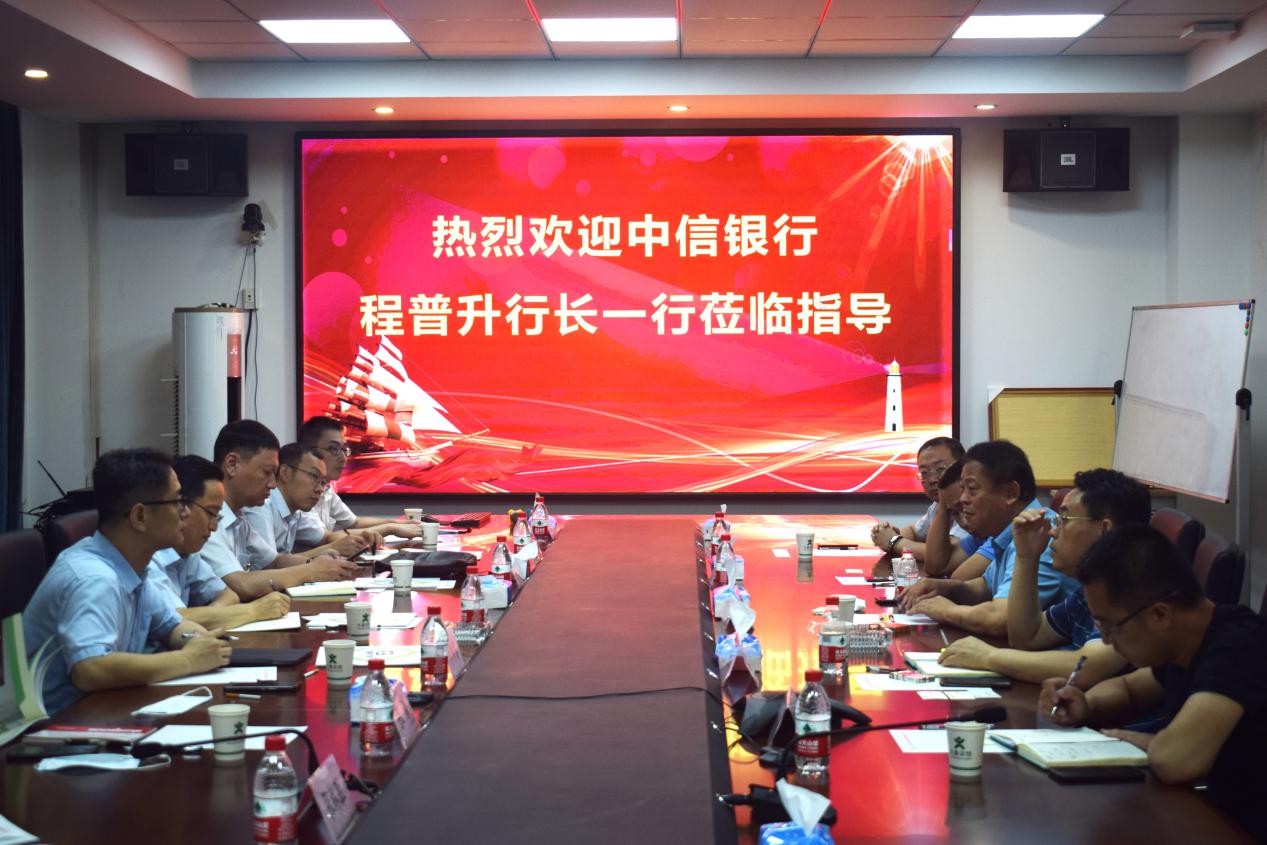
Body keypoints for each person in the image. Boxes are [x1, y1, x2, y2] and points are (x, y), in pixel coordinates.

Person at [1042, 525, 1267, 840]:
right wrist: (1087, 704)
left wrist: (1133, 740)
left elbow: (1175, 760)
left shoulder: (1238, 647)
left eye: (1110, 628)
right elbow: (1129, 690)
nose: (1106, 641)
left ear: (1160, 615)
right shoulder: (1183, 643)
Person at [23, 449, 231, 713]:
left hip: (105, 711)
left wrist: (200, 641)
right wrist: (189, 659)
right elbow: (90, 669)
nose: (186, 513)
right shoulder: (93, 577)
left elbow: (172, 626)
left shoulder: (133, 567)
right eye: (178, 502)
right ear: (140, 516)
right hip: (56, 725)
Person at [939, 468, 1149, 684]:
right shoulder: (1089, 590)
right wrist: (1026, 558)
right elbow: (1026, 637)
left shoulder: (1135, 592)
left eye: (1064, 519)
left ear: (1104, 530)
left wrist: (988, 657)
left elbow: (1088, 667)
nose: (1053, 531)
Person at [897, 440, 1077, 637]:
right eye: (963, 488)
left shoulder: (1040, 535)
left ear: (1010, 493)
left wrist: (946, 610)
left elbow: (1002, 617)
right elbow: (984, 587)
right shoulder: (1006, 531)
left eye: (972, 489)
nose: (963, 498)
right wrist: (942, 588)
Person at [200, 420, 361, 599]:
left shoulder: (239, 516)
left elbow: (273, 562)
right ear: (232, 464)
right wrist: (310, 571)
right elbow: (240, 584)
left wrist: (315, 561)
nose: (273, 484)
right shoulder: (206, 517)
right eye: (266, 472)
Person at [147, 455, 292, 630]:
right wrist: (253, 611)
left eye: (217, 516)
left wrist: (216, 616)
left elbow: (229, 595)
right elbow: (174, 619)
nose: (214, 526)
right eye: (211, 513)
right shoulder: (149, 558)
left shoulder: (187, 553)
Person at [294, 415, 424, 546]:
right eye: (334, 449)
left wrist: (396, 523)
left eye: (344, 450)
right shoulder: (299, 492)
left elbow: (354, 522)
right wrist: (391, 528)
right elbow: (328, 537)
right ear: (309, 452)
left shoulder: (327, 487)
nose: (343, 458)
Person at [242, 443, 375, 565]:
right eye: (313, 476)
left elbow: (327, 537)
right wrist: (331, 549)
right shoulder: (261, 505)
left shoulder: (297, 509)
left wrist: (352, 541)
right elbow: (269, 565)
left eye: (323, 482)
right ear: (285, 473)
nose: (320, 489)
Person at [871, 437, 969, 564]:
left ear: (963, 468)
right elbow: (915, 531)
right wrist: (888, 534)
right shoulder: (937, 506)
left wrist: (894, 541)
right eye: (924, 473)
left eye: (940, 469)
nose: (932, 480)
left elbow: (944, 555)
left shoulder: (968, 507)